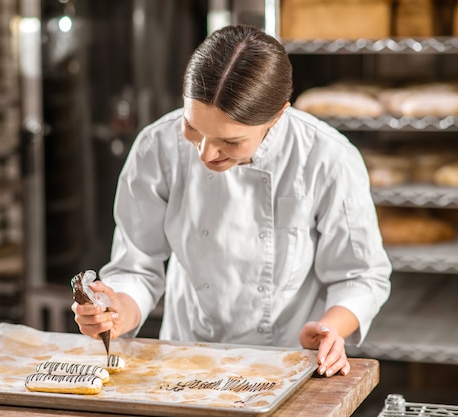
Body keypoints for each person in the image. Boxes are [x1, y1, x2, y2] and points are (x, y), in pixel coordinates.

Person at [72, 24, 391, 378]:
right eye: (192, 129)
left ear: (277, 116)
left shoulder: (326, 157)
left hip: (289, 362)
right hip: (184, 359)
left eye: (231, 141)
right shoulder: (156, 146)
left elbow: (360, 275)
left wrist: (330, 329)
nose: (206, 153)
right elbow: (137, 267)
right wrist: (117, 313)